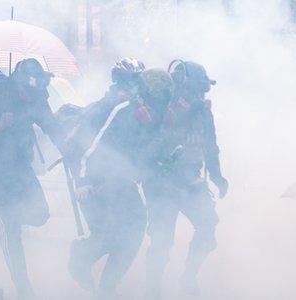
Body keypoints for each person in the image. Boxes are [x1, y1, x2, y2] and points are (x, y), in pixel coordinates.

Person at [0, 58, 63, 298]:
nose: (31, 96)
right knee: (11, 228)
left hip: (19, 166)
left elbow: (50, 124)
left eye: (34, 92)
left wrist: (69, 148)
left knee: (40, 214)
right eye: (27, 91)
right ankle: (23, 286)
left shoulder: (38, 94)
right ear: (18, 84)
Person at [65, 58, 151, 298]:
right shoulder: (114, 107)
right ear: (123, 81)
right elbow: (86, 146)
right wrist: (83, 182)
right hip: (95, 184)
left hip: (120, 182)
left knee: (135, 228)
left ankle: (108, 287)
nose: (140, 85)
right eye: (135, 80)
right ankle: (81, 257)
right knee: (110, 235)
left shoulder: (134, 105)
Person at [141, 61, 227, 298]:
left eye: (202, 90)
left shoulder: (203, 112)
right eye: (195, 90)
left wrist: (218, 176)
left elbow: (211, 145)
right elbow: (151, 142)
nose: (199, 95)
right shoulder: (162, 106)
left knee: (208, 228)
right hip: (162, 183)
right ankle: (153, 291)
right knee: (162, 241)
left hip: (191, 180)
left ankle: (188, 277)